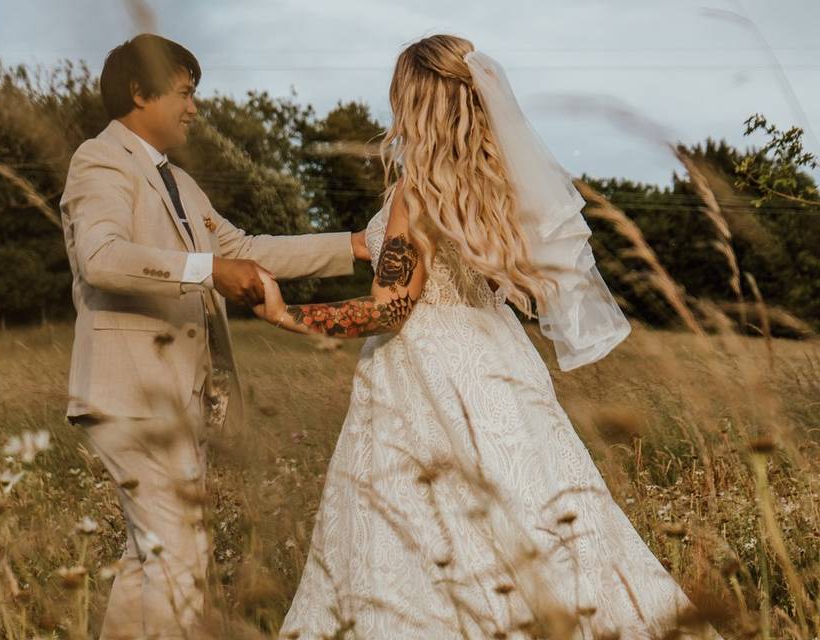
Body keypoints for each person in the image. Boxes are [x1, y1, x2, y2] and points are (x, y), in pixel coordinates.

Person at [252, 35, 723, 639]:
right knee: (529, 514)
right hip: (500, 362)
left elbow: (389, 311)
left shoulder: (415, 191)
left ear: (414, 101)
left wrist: (285, 316)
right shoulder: (498, 186)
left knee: (422, 530)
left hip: (424, 372)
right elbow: (375, 248)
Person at [59, 33, 369, 639]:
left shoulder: (182, 185)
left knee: (148, 558)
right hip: (132, 394)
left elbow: (248, 250)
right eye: (184, 92)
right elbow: (101, 257)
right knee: (179, 557)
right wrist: (207, 271)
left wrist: (354, 245)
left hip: (176, 399)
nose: (195, 108)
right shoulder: (99, 160)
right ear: (139, 93)